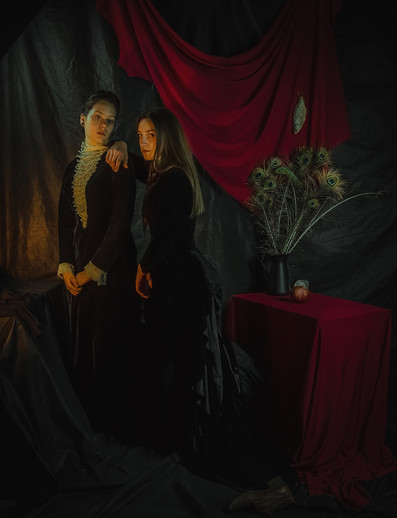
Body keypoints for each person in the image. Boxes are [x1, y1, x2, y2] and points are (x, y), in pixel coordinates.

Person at [127, 106, 296, 516]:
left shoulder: (174, 179)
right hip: (175, 278)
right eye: (140, 135)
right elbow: (142, 170)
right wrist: (117, 146)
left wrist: (142, 268)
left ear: (166, 138)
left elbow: (166, 235)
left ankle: (271, 485)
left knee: (192, 365)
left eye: (150, 135)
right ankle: (184, 434)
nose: (143, 142)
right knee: (180, 362)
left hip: (182, 282)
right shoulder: (164, 173)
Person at [57, 90, 145, 438]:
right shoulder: (72, 167)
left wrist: (92, 270)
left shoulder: (117, 162)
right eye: (97, 117)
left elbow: (120, 223)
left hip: (113, 266)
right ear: (83, 119)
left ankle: (115, 424)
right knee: (84, 338)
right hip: (80, 265)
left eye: (110, 121)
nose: (103, 126)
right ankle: (88, 419)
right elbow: (65, 220)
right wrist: (67, 265)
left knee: (111, 339)